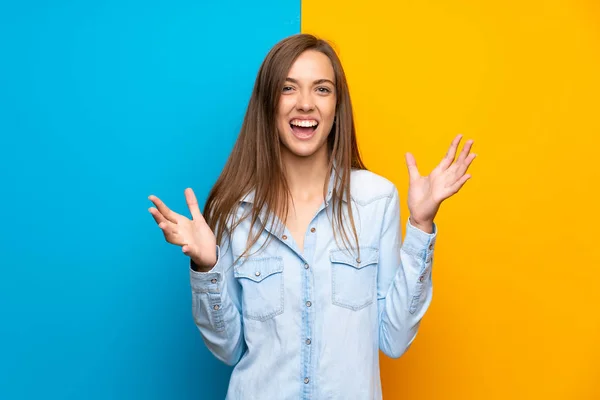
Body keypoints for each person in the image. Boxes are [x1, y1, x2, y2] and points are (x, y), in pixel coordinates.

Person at [148, 33, 475, 400]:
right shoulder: (234, 209)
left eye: (322, 90)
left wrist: (420, 227)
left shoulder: (376, 200)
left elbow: (394, 339)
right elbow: (228, 349)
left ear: (338, 106)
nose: (305, 104)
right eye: (289, 88)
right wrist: (206, 267)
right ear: (268, 102)